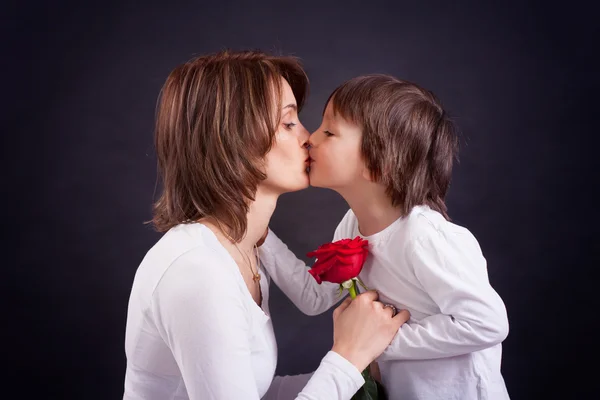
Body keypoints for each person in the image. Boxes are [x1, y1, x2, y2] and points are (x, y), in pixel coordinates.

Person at [122, 51, 409, 400]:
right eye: (289, 123)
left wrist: (365, 380)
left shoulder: (242, 249)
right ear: (234, 141)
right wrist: (348, 358)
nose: (309, 138)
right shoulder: (199, 272)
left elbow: (256, 392)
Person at [258, 74, 510, 399]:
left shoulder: (423, 236)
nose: (310, 138)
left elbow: (486, 323)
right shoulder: (352, 224)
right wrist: (258, 236)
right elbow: (315, 298)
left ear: (377, 166)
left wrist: (383, 341)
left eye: (329, 132)